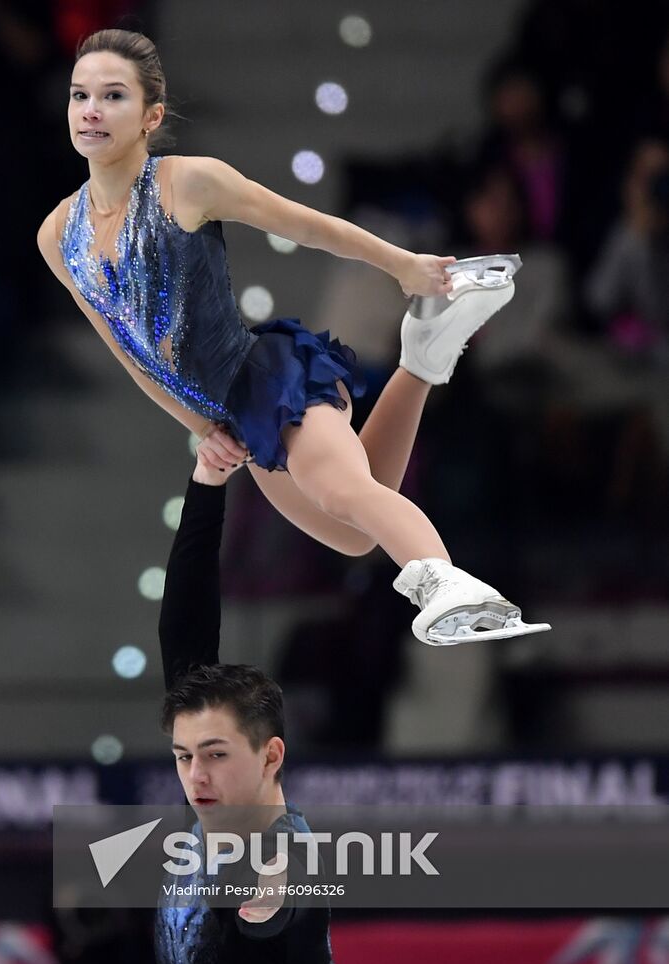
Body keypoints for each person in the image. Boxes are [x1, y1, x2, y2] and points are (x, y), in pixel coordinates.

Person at [37, 28, 549, 645]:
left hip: (268, 381)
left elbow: (306, 225)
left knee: (344, 490)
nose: (91, 110)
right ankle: (423, 357)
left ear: (151, 116)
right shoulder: (58, 235)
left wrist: (404, 266)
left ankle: (445, 583)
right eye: (79, 95)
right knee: (355, 532)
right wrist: (202, 427)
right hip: (231, 414)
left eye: (112, 95)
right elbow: (126, 348)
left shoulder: (188, 182)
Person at [156, 456, 338, 964]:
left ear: (270, 755)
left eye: (213, 755)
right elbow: (184, 627)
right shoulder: (219, 807)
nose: (194, 776)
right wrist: (207, 481)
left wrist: (268, 901)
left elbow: (277, 901)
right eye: (183, 756)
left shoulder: (282, 858)